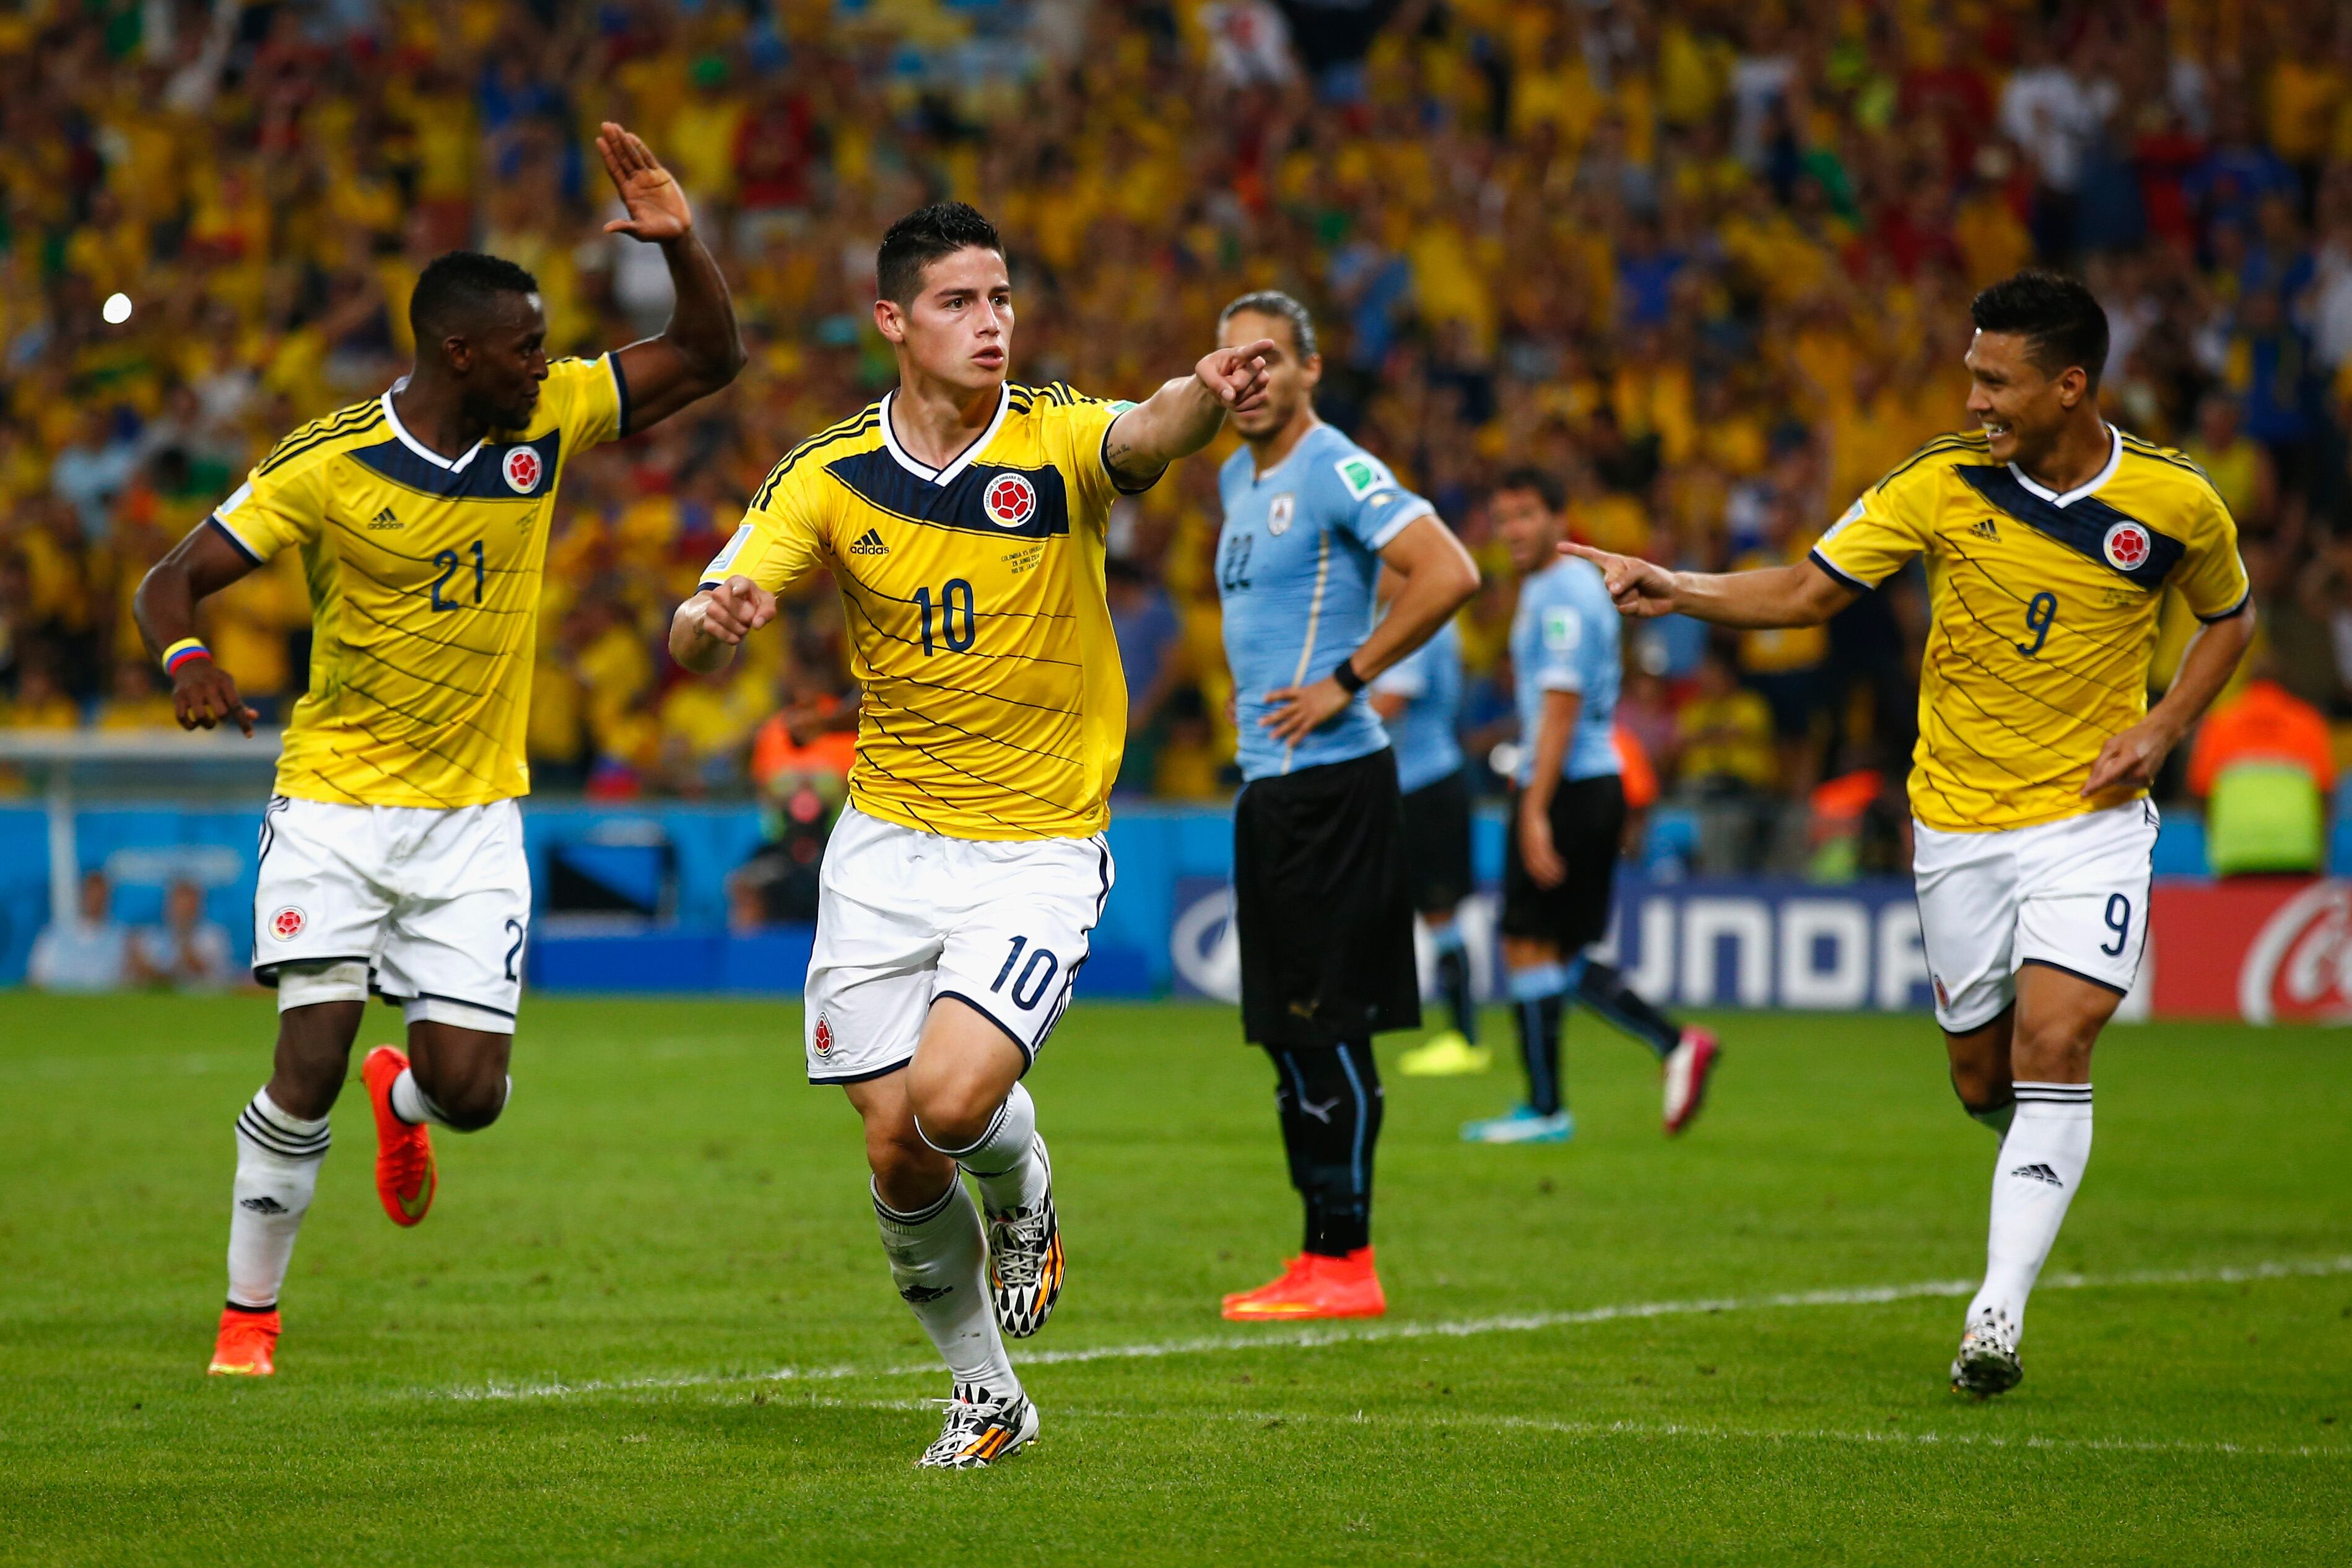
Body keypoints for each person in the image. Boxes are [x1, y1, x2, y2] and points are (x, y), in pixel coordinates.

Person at [1567, 271, 2255, 1396]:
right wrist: (1675, 586)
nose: (1974, 396)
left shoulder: (2174, 503)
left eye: (1997, 379)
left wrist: (2165, 724)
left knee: (2056, 1046)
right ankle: (2037, 1149)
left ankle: (1995, 1313)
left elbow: (2229, 619)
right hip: (1954, 826)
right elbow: (1802, 591)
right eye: (1971, 373)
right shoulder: (1939, 482)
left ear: (2070, 386)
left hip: (2086, 821)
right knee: (1980, 1074)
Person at [134, 123, 744, 1380]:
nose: (545, 361)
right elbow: (173, 578)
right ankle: (250, 1319)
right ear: (458, 353)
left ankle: (404, 1099)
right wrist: (187, 660)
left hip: (473, 818)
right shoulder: (329, 464)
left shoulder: (550, 420)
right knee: (309, 1047)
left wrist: (683, 243)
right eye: (524, 345)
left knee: (471, 1091)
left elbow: (709, 355)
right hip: (339, 802)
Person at [668, 203, 1270, 1468]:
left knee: (948, 1104)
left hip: (1036, 847)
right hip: (886, 846)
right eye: (959, 302)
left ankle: (1022, 1178)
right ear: (894, 321)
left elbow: (1151, 430)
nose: (991, 323)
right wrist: (708, 617)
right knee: (893, 1152)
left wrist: (1204, 392)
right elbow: (722, 594)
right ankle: (988, 1396)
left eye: (1000, 299)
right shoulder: (830, 473)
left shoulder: (1056, 439)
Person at [1208, 290, 1479, 1323]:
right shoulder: (1237, 473)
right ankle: (1316, 1252)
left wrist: (1346, 676)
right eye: (1232, 361)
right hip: (1269, 785)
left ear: (1310, 368)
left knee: (1326, 1026)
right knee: (1287, 1029)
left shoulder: (1334, 466)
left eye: (1268, 356)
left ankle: (1344, 1257)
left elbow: (1446, 570)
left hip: (1331, 781)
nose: (1248, 377)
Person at [1463, 469, 1722, 1146]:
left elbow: (1560, 707)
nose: (1512, 530)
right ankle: (1652, 1051)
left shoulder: (1561, 599)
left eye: (1525, 515)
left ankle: (1555, 1104)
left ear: (1559, 518)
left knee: (1535, 942)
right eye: (1503, 517)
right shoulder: (1555, 590)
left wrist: (1534, 808)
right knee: (1544, 946)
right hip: (1575, 780)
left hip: (1570, 785)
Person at [1375, 610, 1488, 1077]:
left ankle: (1464, 1037)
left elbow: (1393, 700)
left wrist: (1313, 715)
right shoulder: (1399, 611)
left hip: (1428, 783)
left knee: (1439, 912)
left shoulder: (1424, 615)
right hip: (1405, 781)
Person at [28, 869, 131, 992]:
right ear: (82, 895)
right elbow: (37, 978)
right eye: (92, 894)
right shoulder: (53, 935)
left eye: (101, 896)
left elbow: (131, 982)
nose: (96, 901)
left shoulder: (123, 938)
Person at [132, 878, 237, 990]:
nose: (184, 909)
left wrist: (183, 938)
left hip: (201, 999)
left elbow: (204, 971)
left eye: (189, 904)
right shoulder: (151, 937)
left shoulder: (214, 936)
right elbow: (144, 974)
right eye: (179, 903)